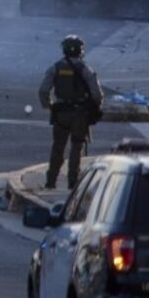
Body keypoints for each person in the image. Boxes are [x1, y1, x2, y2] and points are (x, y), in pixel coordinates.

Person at [38, 35, 103, 190]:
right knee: (76, 147)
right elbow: (97, 94)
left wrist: (50, 105)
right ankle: (72, 182)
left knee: (58, 148)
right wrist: (94, 107)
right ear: (80, 50)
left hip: (61, 113)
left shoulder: (55, 68)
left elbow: (43, 91)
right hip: (79, 114)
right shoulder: (85, 69)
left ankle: (51, 181)